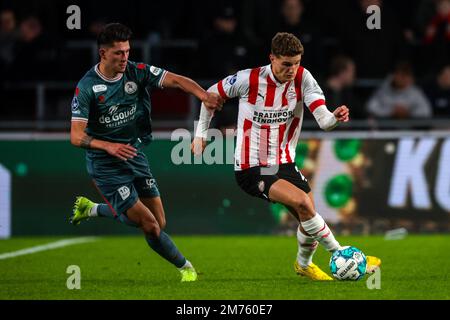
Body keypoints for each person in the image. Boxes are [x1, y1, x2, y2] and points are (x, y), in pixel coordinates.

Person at [191, 32, 381, 280]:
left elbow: (323, 120)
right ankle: (342, 254)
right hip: (252, 167)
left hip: (284, 162)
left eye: (297, 63)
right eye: (286, 64)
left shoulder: (303, 79)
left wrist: (334, 117)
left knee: (308, 215)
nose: (292, 69)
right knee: (303, 203)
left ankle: (304, 265)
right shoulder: (248, 79)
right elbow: (210, 96)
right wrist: (200, 134)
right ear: (272, 58)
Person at [69, 23, 223, 282]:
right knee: (149, 225)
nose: (125, 57)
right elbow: (76, 136)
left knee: (158, 223)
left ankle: (94, 209)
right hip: (105, 164)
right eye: (118, 53)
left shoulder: (136, 72)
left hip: (133, 153)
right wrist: (108, 145)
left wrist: (203, 96)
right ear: (103, 53)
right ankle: (186, 268)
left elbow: (175, 79)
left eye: (127, 51)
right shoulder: (86, 87)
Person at [366, 61, 432, 119]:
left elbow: (426, 111)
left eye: (407, 75)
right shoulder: (383, 89)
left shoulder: (415, 92)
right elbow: (370, 107)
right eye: (402, 75)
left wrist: (408, 113)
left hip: (408, 127)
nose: (404, 79)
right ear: (394, 75)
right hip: (386, 127)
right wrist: (390, 112)